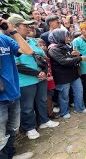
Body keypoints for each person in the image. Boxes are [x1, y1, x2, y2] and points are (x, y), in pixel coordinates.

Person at [10, 14, 59, 140]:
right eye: (24, 25)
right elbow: (17, 65)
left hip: (40, 78)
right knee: (27, 106)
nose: (28, 28)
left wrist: (43, 71)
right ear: (14, 27)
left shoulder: (32, 41)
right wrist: (36, 73)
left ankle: (44, 121)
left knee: (41, 101)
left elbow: (42, 57)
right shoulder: (11, 44)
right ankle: (29, 128)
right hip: (25, 81)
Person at [0, 16, 34, 159]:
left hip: (13, 92)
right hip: (1, 97)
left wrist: (13, 31)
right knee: (0, 134)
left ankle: (11, 155)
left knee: (13, 128)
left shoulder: (5, 40)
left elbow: (28, 50)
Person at [48, 29, 86, 119]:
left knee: (79, 91)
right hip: (62, 76)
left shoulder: (66, 46)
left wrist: (78, 54)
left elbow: (71, 57)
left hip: (73, 73)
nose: (68, 38)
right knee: (64, 95)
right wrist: (79, 58)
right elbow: (63, 61)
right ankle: (64, 112)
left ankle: (80, 108)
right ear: (59, 37)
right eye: (66, 36)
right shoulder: (53, 49)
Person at [37, 39, 59, 119]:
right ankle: (48, 114)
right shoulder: (38, 57)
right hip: (43, 80)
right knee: (45, 98)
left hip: (50, 79)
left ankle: (50, 112)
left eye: (44, 45)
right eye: (40, 45)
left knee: (50, 96)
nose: (43, 47)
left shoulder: (47, 55)